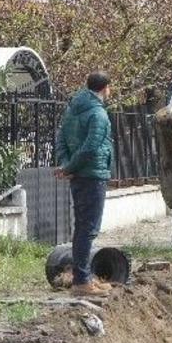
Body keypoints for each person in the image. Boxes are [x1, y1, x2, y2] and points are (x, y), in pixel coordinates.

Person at [56, 71, 115, 297]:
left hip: (80, 175)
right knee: (88, 229)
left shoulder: (72, 109)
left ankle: (84, 276)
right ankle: (82, 281)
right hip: (92, 175)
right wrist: (69, 167)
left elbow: (60, 138)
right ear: (105, 88)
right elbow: (91, 147)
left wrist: (66, 165)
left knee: (82, 227)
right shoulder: (98, 114)